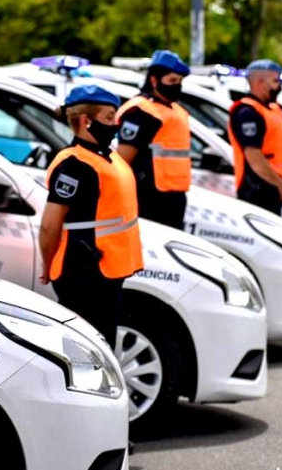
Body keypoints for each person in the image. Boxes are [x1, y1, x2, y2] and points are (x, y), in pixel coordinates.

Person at [39, 85, 143, 349]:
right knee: (85, 346)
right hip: (84, 270)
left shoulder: (106, 156)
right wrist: (47, 265)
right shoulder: (74, 164)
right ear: (86, 121)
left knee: (103, 341)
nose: (115, 124)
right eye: (109, 118)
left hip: (108, 268)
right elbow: (50, 225)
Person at [115, 50, 192, 230]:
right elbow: (123, 160)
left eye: (180, 81)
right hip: (149, 198)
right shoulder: (141, 111)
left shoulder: (175, 110)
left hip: (174, 196)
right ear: (154, 80)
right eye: (172, 81)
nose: (177, 85)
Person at [227, 59, 282, 215]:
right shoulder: (248, 112)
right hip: (257, 190)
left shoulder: (271, 109)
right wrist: (279, 184)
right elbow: (253, 156)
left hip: (271, 190)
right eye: (275, 81)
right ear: (260, 82)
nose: (279, 87)